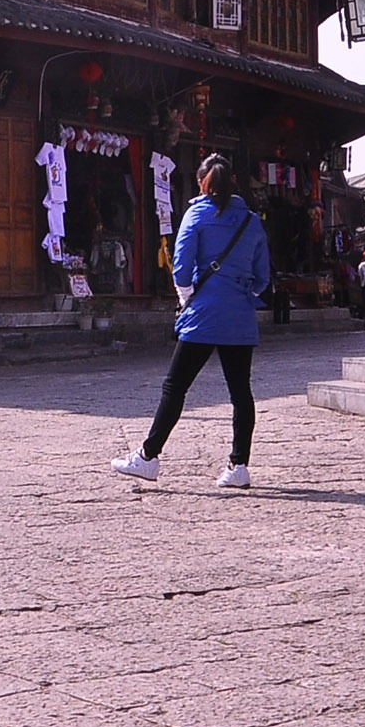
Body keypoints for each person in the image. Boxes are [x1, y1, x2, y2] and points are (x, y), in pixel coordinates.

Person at [111, 154, 271, 490]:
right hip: (239, 316)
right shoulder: (252, 221)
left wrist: (188, 301)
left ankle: (148, 457)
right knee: (241, 393)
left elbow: (181, 269)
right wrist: (240, 291)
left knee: (175, 387)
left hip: (203, 315)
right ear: (234, 184)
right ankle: (239, 465)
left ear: (202, 183)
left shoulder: (196, 215)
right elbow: (262, 278)